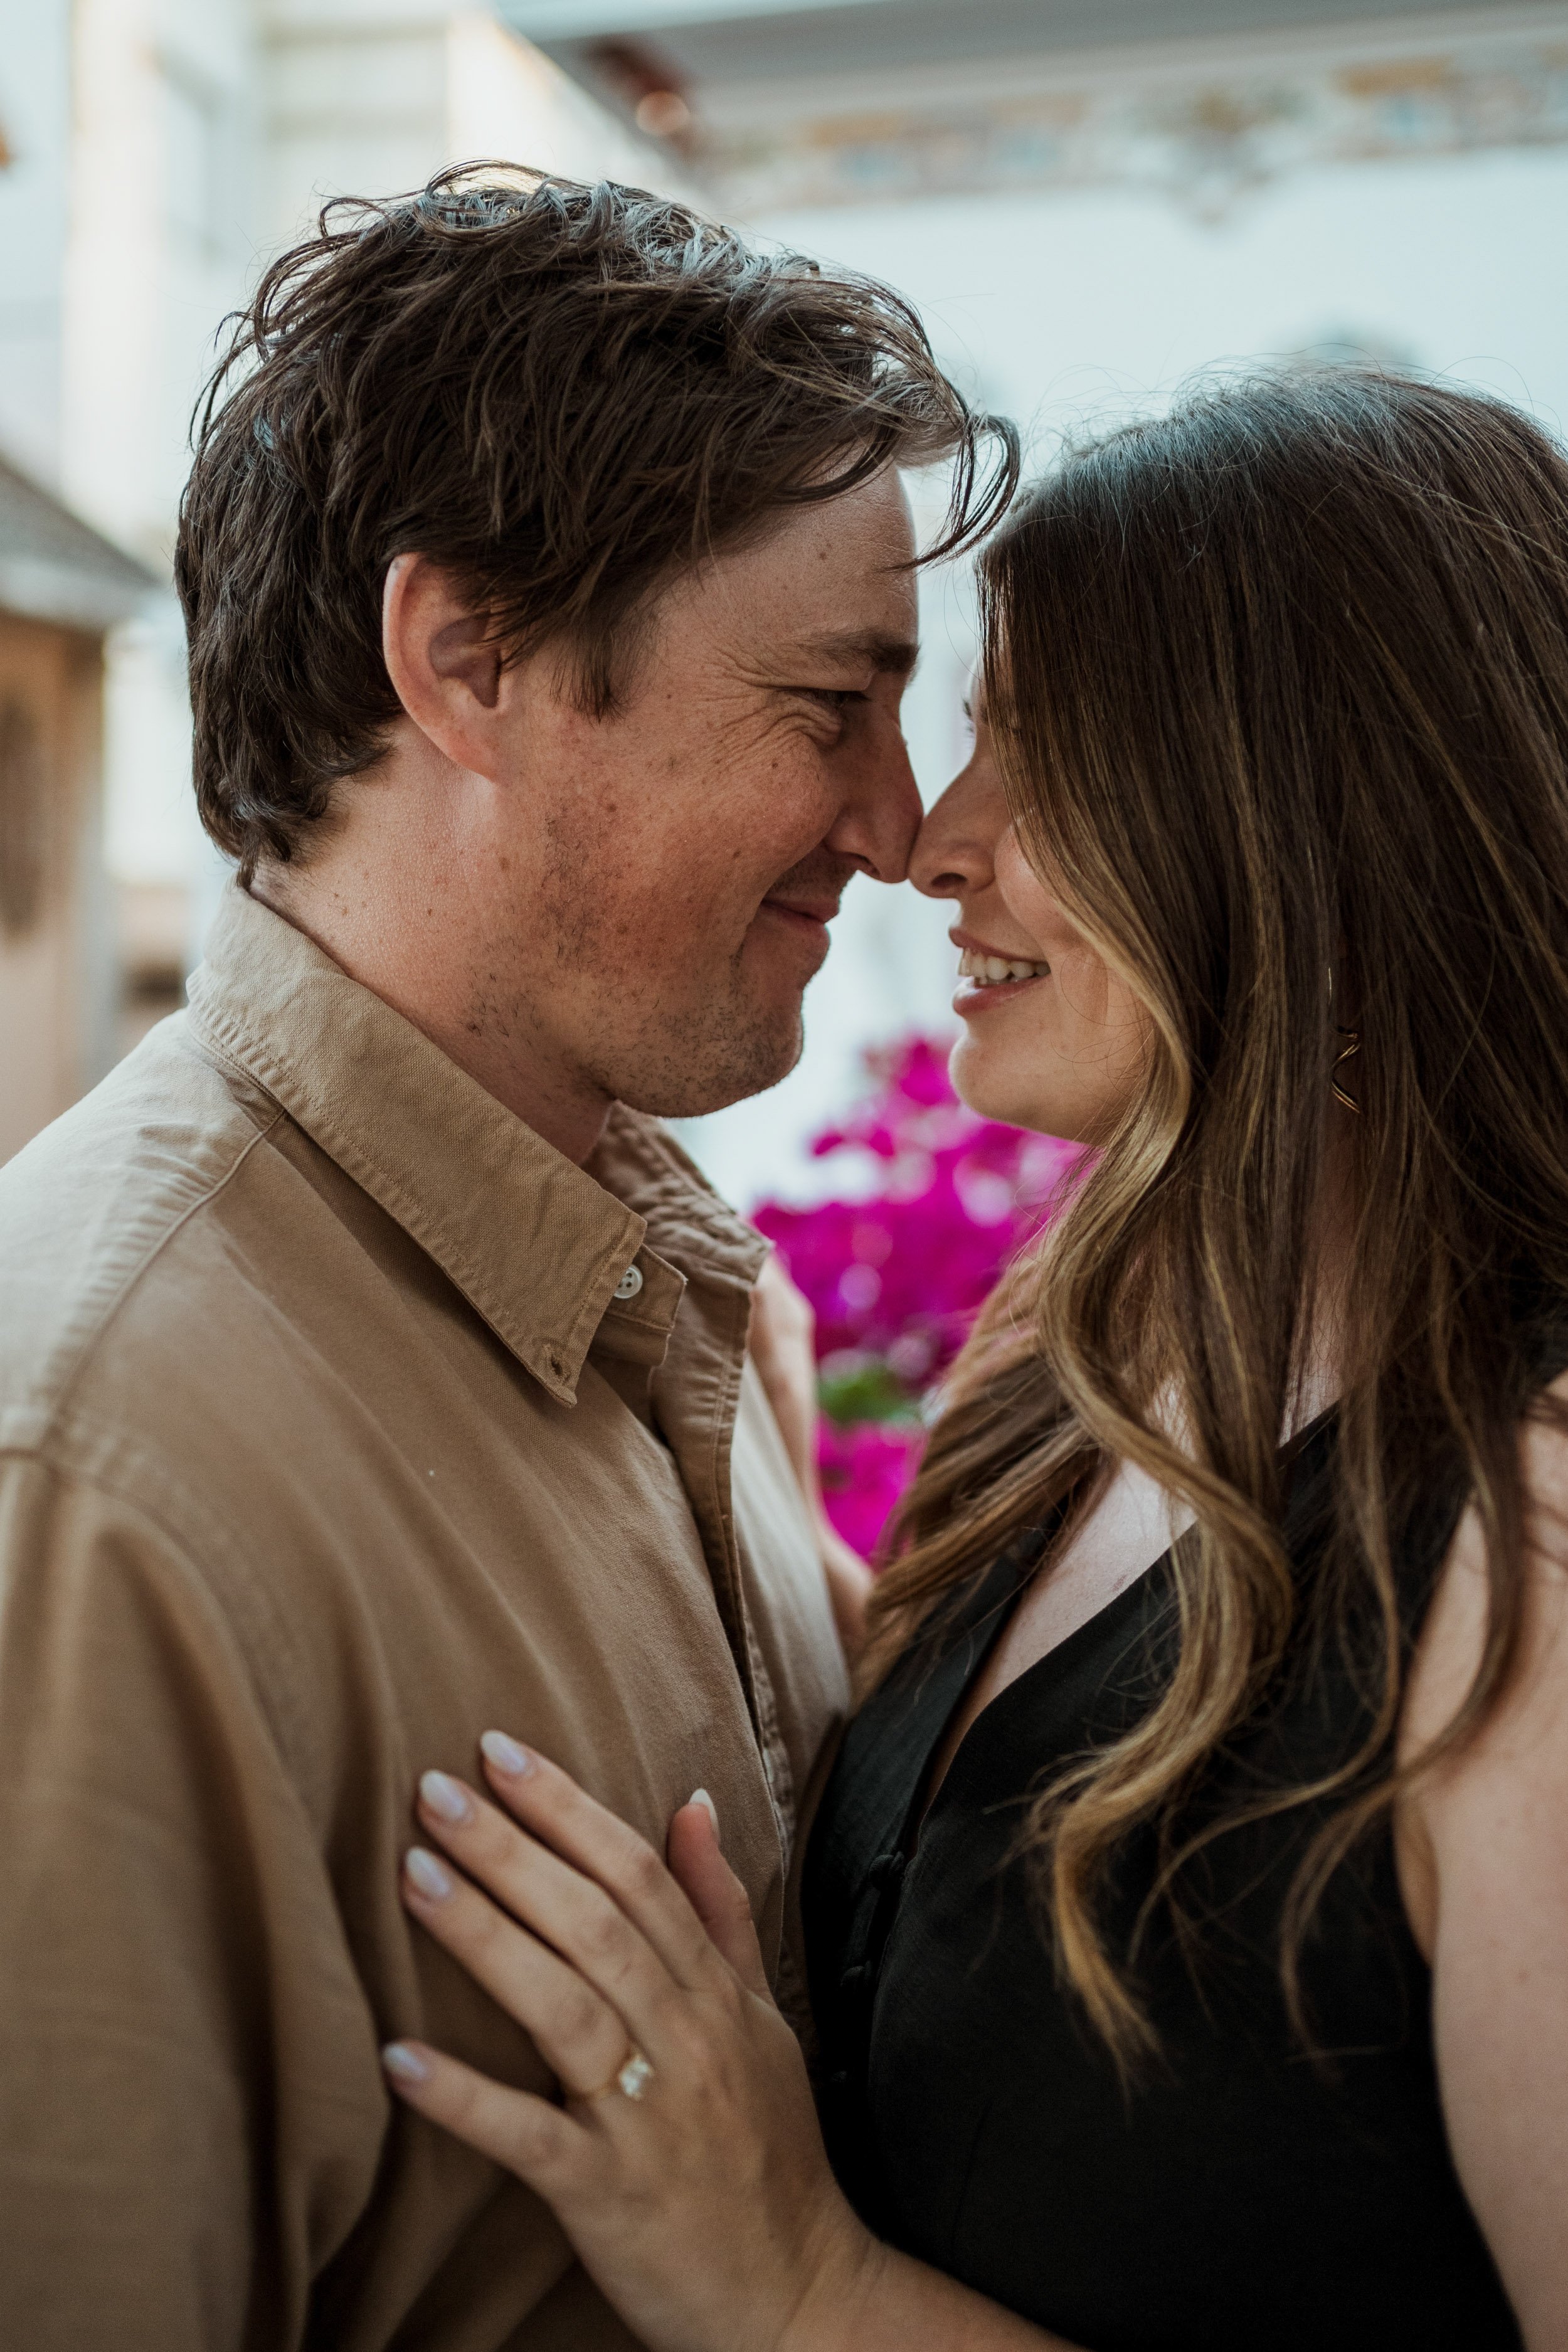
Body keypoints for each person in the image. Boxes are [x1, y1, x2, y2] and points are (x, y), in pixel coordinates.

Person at [376, 371, 1568, 2351]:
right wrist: (726, 1513)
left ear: (1310, 826)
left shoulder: (1526, 1542)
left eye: (1044, 752)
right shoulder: (1077, 1374)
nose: (931, 842)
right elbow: (1028, 1854)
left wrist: (796, 2293)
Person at [0, 167, 1015, 2348]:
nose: (900, 821)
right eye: (831, 699)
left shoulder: (659, 1268)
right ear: (465, 661)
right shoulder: (82, 1476)